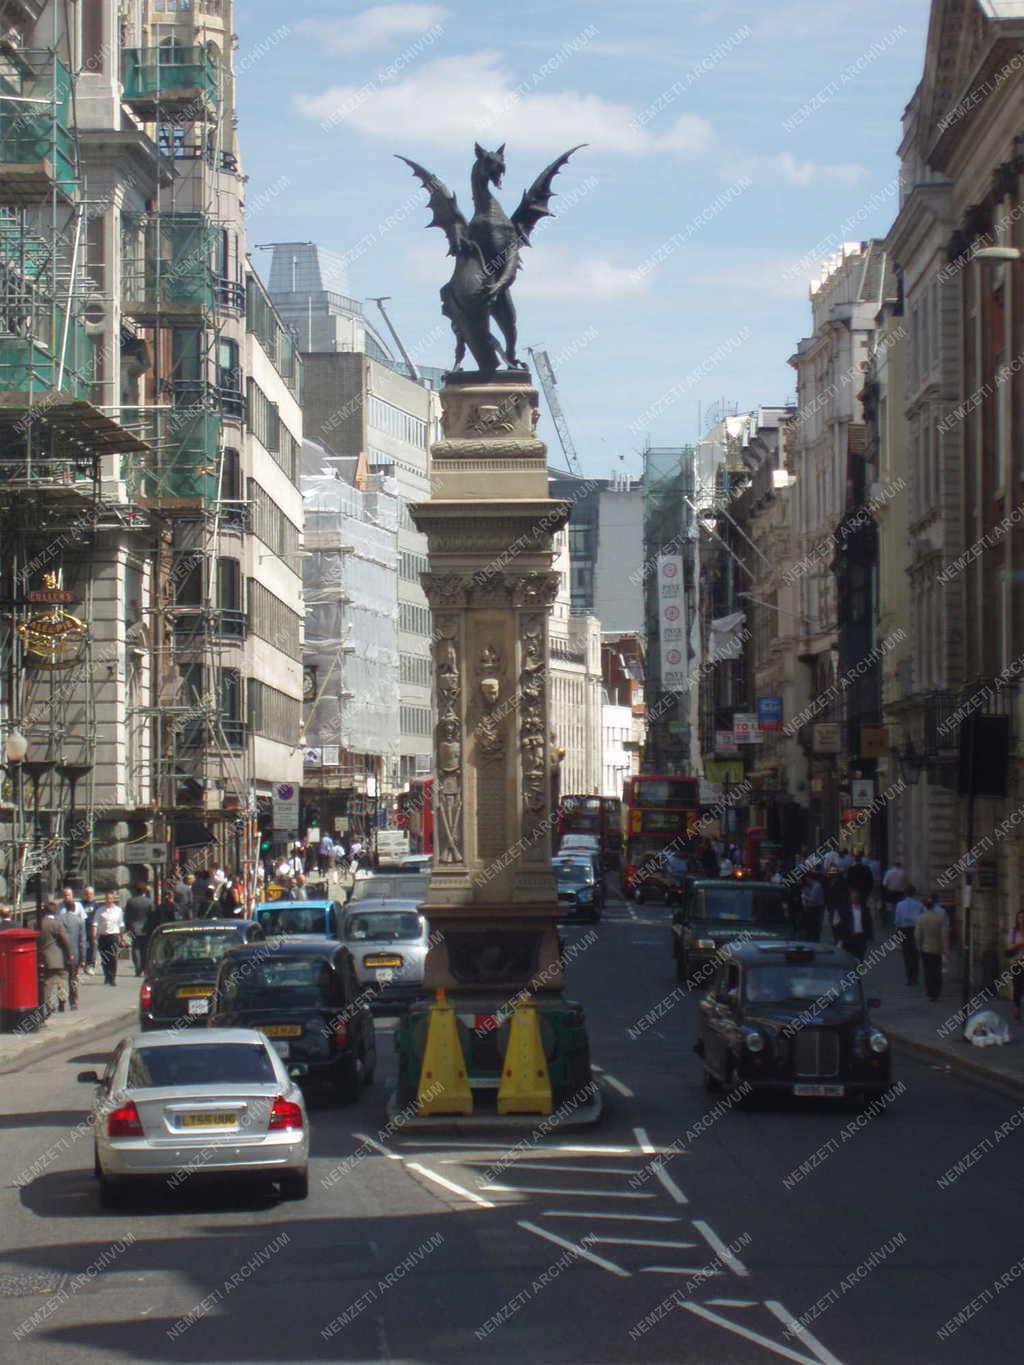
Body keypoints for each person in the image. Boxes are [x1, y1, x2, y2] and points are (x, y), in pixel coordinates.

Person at [37, 899, 73, 1017]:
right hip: (58, 958)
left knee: (47, 982)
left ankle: (48, 1005)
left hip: (43, 957)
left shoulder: (37, 923)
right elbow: (65, 940)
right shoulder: (57, 924)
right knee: (63, 979)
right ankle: (62, 1001)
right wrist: (70, 954)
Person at [915, 893, 950, 1001]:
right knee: (937, 970)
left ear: (925, 906)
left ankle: (930, 991)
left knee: (928, 970)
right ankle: (936, 991)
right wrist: (946, 949)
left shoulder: (920, 918)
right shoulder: (940, 918)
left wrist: (918, 945)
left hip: (926, 948)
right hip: (937, 948)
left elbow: (917, 935)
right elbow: (944, 935)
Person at [57, 888, 87, 1010]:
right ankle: (73, 1002)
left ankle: (61, 1002)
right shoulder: (80, 921)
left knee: (62, 978)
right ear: (74, 909)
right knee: (73, 978)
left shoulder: (58, 920)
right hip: (75, 953)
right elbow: (82, 941)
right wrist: (84, 958)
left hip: (61, 953)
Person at [894, 884, 925, 986]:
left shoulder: (900, 904)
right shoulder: (919, 905)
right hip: (916, 929)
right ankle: (914, 977)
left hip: (904, 930)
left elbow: (897, 920)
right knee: (915, 954)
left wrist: (897, 933)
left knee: (907, 955)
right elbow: (922, 919)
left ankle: (909, 977)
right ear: (914, 893)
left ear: (905, 893)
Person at [124, 882, 155, 976]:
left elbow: (127, 916)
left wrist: (128, 928)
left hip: (134, 928)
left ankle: (138, 968)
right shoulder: (149, 901)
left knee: (136, 948)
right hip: (147, 928)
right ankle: (145, 968)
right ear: (145, 891)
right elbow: (153, 915)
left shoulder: (130, 901)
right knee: (146, 948)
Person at [835, 886, 873, 962]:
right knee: (848, 959)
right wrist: (839, 939)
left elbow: (868, 924)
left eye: (856, 897)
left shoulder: (865, 910)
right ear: (850, 898)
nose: (855, 898)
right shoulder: (844, 910)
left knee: (859, 959)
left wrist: (870, 937)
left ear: (859, 898)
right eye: (853, 897)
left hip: (860, 938)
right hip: (849, 938)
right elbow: (839, 925)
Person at [94, 891, 125, 985]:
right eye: (107, 898)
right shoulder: (100, 910)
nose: (109, 900)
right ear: (105, 899)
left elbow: (121, 924)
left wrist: (121, 938)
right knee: (104, 958)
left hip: (113, 936)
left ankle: (112, 978)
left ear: (113, 899)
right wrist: (94, 937)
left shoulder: (118, 910)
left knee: (113, 957)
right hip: (103, 936)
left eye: (111, 898)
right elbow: (95, 923)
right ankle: (107, 976)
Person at [1006, 911, 1024, 1022]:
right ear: (1017, 919)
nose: (1022, 920)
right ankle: (1017, 1007)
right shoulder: (1013, 932)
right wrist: (1019, 944)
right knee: (1018, 986)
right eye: (1020, 917)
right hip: (1017, 962)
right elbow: (1009, 947)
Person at [825, 866, 850, 942]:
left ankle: (841, 939)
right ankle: (836, 939)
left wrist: (843, 906)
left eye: (833, 874)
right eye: (831, 874)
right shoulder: (829, 882)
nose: (832, 875)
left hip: (840, 906)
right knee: (833, 923)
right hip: (832, 906)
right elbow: (828, 895)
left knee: (840, 924)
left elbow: (845, 896)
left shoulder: (842, 883)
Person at [799, 872, 825, 942]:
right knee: (809, 925)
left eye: (807, 879)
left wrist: (804, 896)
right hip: (810, 908)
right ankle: (809, 937)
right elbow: (804, 894)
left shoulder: (817, 886)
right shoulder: (809, 886)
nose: (806, 880)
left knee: (815, 926)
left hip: (817, 908)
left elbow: (812, 899)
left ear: (810, 878)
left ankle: (815, 940)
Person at [882, 859, 908, 926]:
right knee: (900, 907)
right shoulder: (903, 872)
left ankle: (892, 921)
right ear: (900, 865)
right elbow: (906, 883)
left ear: (893, 865)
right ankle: (899, 920)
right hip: (900, 892)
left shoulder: (889, 872)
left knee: (890, 907)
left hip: (891, 892)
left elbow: (884, 883)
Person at [80, 885, 98, 974]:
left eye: (91, 894)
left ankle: (90, 965)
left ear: (93, 894)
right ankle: (83, 963)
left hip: (92, 930)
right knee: (82, 948)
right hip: (82, 929)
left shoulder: (96, 905)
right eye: (87, 894)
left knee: (92, 948)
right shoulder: (80, 905)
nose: (89, 895)